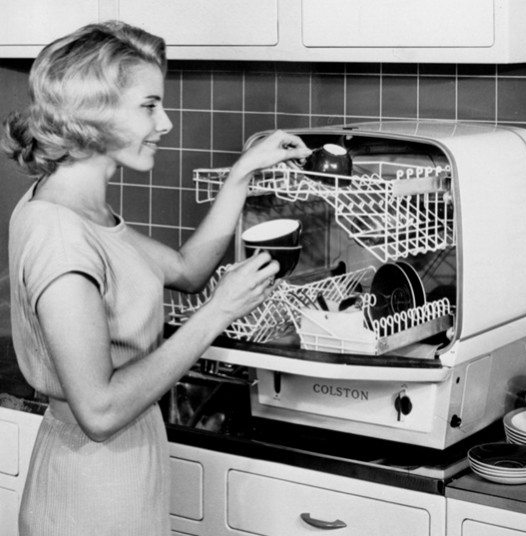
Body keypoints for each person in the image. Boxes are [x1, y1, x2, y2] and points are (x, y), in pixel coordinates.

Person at [1, 21, 310, 535]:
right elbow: (98, 411)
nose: (164, 122)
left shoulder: (80, 210)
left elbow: (186, 271)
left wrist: (242, 175)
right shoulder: (61, 237)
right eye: (148, 105)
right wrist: (218, 313)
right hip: (90, 492)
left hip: (119, 471)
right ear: (92, 114)